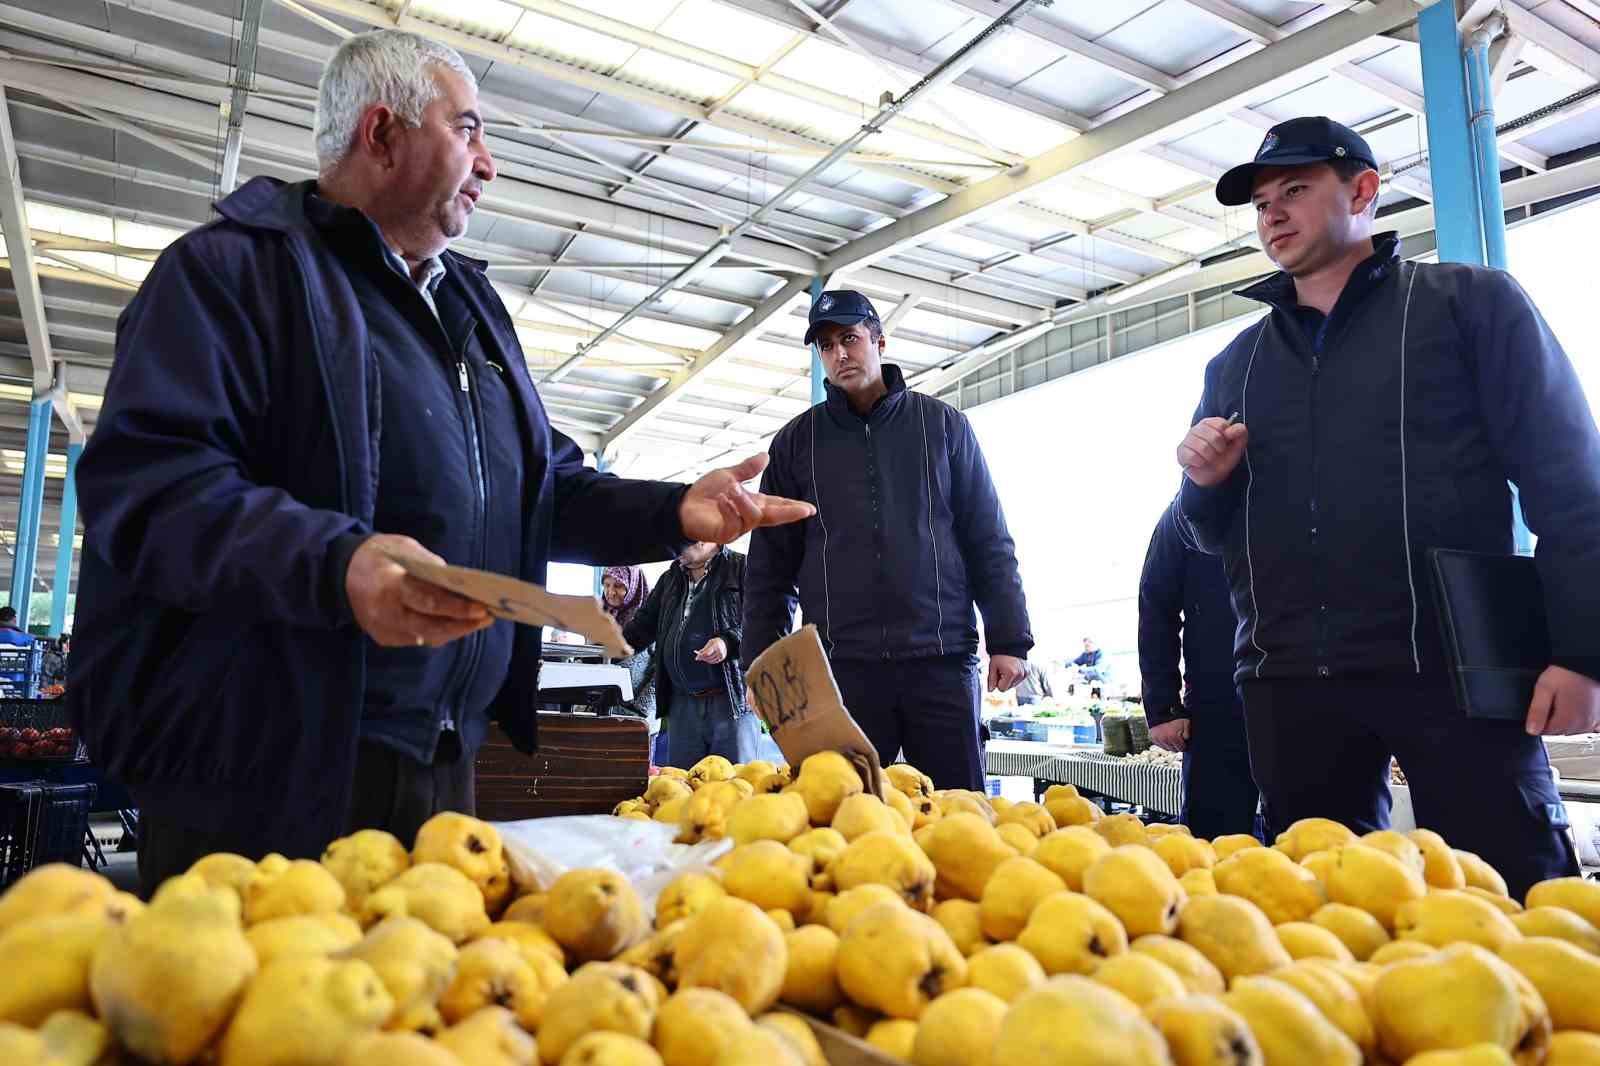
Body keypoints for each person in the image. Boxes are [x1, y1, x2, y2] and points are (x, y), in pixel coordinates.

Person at [67, 29, 812, 897]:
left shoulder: (468, 310)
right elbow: (153, 486)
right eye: (469, 129)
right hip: (263, 771)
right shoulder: (232, 276)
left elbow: (542, 483)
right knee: (265, 1017)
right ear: (382, 135)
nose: (488, 164)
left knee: (411, 1016)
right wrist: (335, 564)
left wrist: (677, 509)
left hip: (439, 762)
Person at [1176, 115, 1600, 896]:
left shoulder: (1469, 306)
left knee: (1515, 895)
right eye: (1261, 201)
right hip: (1291, 684)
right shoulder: (1236, 363)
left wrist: (1581, 652)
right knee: (1322, 914)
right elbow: (1206, 536)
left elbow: (1570, 482)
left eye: (1295, 190)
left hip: (1451, 671)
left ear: (1364, 191)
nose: (1272, 213)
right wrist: (1203, 483)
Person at [743, 289, 1033, 790]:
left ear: (879, 340)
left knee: (955, 813)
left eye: (850, 339)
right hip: (841, 670)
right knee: (843, 815)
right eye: (827, 345)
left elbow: (988, 537)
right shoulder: (795, 443)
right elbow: (770, 566)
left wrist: (1009, 639)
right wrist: (761, 664)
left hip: (940, 662)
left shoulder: (944, 427)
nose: (840, 354)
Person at [1138, 497, 1261, 840]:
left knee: (1315, 841)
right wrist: (1164, 706)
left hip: (1306, 694)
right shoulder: (1185, 511)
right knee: (1212, 837)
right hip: (1219, 701)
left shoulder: (1301, 491)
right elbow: (1156, 607)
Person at [623, 543, 758, 767]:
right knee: (682, 788)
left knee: (733, 788)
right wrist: (605, 641)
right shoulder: (670, 578)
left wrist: (727, 642)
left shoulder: (742, 568)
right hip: (682, 703)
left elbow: (761, 623)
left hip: (731, 702)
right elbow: (641, 628)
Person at [598, 566, 659, 758]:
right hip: (602, 713)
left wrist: (641, 709)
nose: (610, 592)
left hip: (637, 716)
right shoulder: (599, 615)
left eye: (618, 586)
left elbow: (661, 668)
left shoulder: (650, 619)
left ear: (633, 586)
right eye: (606, 585)